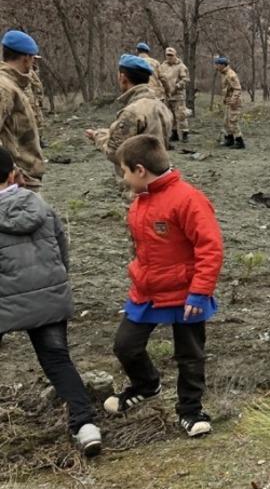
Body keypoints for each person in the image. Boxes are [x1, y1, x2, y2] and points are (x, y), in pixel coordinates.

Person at [102, 134, 224, 438]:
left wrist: (199, 290)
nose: (124, 178)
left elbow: (210, 247)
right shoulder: (142, 199)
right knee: (126, 345)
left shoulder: (188, 199)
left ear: (140, 169)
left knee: (190, 352)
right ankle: (146, 384)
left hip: (187, 293)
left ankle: (190, 410)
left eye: (125, 171)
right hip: (147, 290)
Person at [0, 146, 101, 455]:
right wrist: (55, 285)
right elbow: (62, 250)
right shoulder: (42, 206)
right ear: (14, 175)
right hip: (50, 297)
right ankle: (85, 426)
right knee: (57, 360)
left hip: (4, 302)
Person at [85, 55, 173, 170]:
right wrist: (106, 133)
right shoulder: (161, 106)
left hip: (137, 181)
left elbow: (115, 152)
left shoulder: (132, 112)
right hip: (157, 174)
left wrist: (97, 137)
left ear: (123, 78)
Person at [0, 30, 46, 190]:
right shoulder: (4, 88)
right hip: (17, 181)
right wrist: (11, 170)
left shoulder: (13, 85)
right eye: (32, 58)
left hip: (23, 178)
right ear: (26, 58)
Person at [159, 47, 190, 142]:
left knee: (181, 115)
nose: (169, 57)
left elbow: (186, 79)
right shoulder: (163, 66)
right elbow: (160, 77)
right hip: (167, 95)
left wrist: (177, 86)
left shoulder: (181, 66)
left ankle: (185, 133)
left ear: (175, 55)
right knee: (170, 116)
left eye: (171, 55)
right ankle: (174, 133)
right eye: (167, 55)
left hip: (178, 95)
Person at [214, 56, 245, 149]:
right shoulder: (224, 73)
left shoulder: (231, 75)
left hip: (234, 103)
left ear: (223, 65)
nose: (216, 66)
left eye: (217, 64)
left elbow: (237, 88)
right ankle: (229, 139)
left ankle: (240, 142)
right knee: (227, 121)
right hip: (228, 102)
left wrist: (233, 99)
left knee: (233, 121)